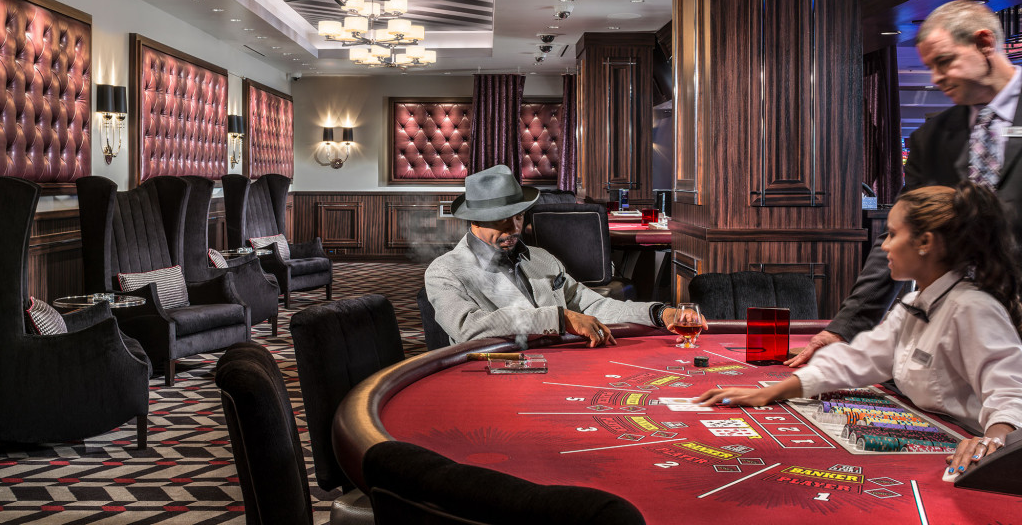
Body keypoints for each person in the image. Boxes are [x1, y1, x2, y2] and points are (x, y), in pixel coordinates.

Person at [699, 183, 1022, 477]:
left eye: (893, 234)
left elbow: (1011, 392)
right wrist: (768, 393)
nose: (884, 247)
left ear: (925, 242)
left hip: (964, 453)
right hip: (932, 437)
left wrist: (992, 444)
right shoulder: (917, 301)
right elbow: (860, 359)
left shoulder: (972, 307)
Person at [787, 0, 1022, 367]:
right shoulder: (933, 137)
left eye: (944, 61)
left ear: (984, 43)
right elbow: (901, 235)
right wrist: (845, 328)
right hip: (954, 332)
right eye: (930, 67)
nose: (936, 78)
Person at [425, 165, 682, 347]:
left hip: (562, 365)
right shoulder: (445, 272)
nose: (514, 229)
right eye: (502, 220)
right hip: (495, 375)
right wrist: (560, 318)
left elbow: (593, 305)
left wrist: (658, 313)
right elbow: (468, 327)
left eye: (518, 216)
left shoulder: (542, 258)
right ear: (475, 220)